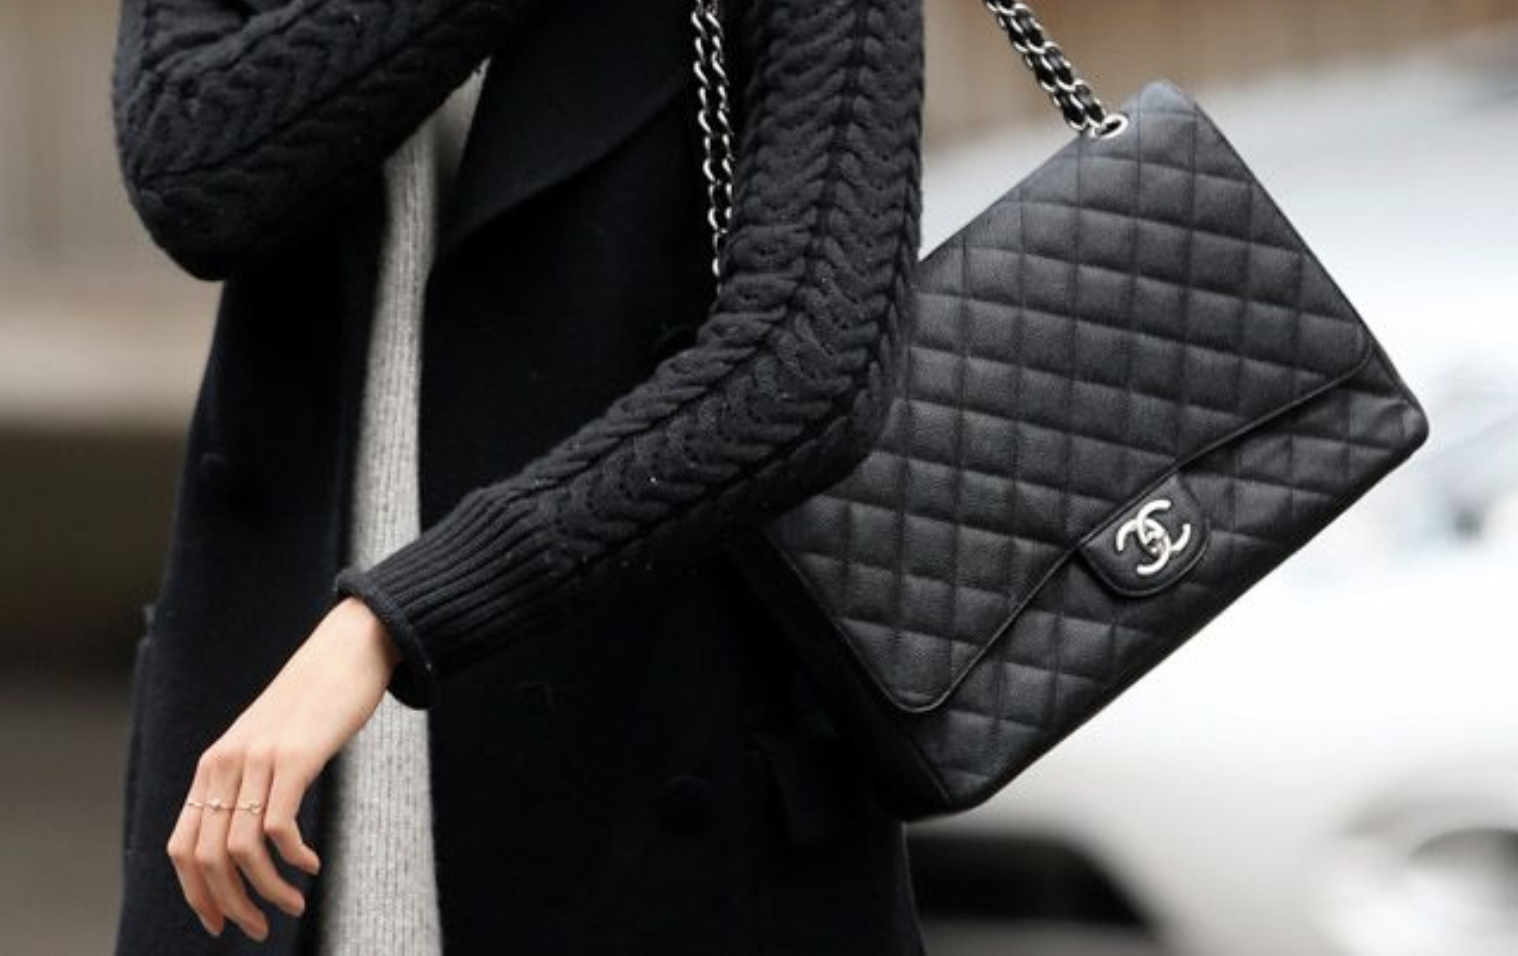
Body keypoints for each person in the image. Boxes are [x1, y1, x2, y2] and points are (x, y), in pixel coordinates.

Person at [110, 0, 926, 953]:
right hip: (264, 802)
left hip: (654, 779)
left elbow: (808, 367)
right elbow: (193, 167)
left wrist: (394, 619)